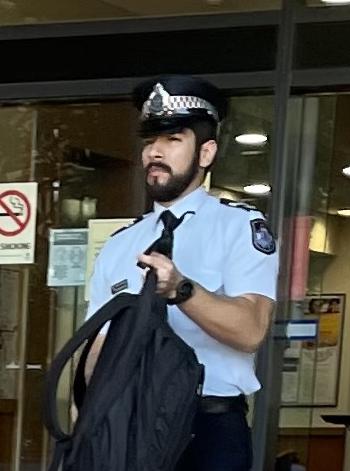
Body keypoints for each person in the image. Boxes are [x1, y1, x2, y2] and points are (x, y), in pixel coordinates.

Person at [85, 75, 278, 471]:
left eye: (172, 140)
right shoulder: (121, 243)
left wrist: (181, 290)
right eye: (150, 141)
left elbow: (251, 330)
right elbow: (98, 350)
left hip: (208, 428)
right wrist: (91, 419)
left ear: (206, 153)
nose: (155, 151)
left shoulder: (239, 227)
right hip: (129, 425)